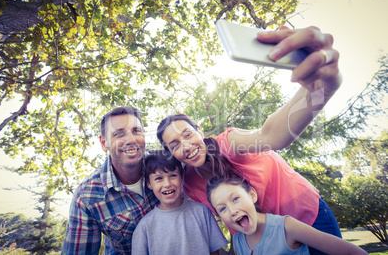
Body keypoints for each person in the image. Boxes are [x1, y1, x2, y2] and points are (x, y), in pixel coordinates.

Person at [156, 26, 343, 254]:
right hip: (261, 241)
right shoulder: (188, 183)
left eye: (187, 134)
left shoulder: (229, 142)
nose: (185, 146)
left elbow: (271, 135)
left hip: (307, 217)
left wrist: (318, 91)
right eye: (174, 145)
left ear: (199, 131)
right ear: (170, 153)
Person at [62, 106, 159, 254]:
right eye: (119, 134)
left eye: (136, 131)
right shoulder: (87, 197)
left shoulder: (167, 165)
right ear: (104, 143)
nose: (131, 140)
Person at [206, 174, 368, 255]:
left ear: (252, 195)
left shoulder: (286, 227)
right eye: (222, 209)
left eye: (235, 199)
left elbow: (352, 252)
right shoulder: (238, 242)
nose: (232, 211)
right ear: (219, 218)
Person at [131, 151, 228, 255]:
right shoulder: (144, 227)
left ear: (182, 177)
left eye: (173, 176)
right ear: (149, 184)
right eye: (159, 178)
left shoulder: (202, 211)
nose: (167, 184)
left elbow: (215, 251)